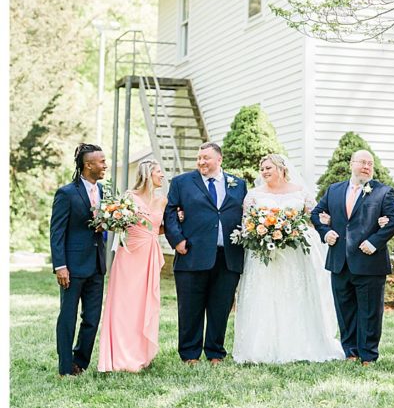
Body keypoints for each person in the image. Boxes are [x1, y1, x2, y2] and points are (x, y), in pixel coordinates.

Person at [231, 154, 344, 363]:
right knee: (267, 294)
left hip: (297, 252)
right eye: (262, 169)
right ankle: (261, 347)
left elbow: (316, 214)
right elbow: (247, 224)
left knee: (296, 293)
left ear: (281, 169)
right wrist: (260, 233)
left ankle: (302, 344)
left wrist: (327, 221)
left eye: (268, 168)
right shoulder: (254, 194)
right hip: (266, 254)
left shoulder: (300, 191)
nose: (264, 172)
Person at [311, 150, 394, 364]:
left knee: (370, 312)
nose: (366, 166)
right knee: (345, 310)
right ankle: (350, 352)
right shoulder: (334, 190)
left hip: (369, 261)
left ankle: (368, 355)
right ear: (351, 163)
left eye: (370, 163)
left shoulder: (383, 192)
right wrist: (325, 233)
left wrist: (374, 242)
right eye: (362, 162)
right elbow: (316, 214)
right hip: (339, 261)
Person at [163, 142, 248, 365]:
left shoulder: (238, 184)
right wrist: (177, 241)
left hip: (228, 255)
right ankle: (190, 354)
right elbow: (170, 213)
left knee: (221, 307)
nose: (201, 161)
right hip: (192, 253)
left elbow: (246, 215)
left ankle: (215, 352)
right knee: (190, 307)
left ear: (219, 160)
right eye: (199, 157)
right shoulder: (181, 183)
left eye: (206, 158)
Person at [97, 160, 167, 372]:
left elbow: (157, 228)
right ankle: (119, 356)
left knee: (144, 304)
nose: (162, 176)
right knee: (125, 305)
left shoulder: (162, 201)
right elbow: (118, 224)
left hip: (149, 256)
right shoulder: (129, 197)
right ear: (148, 175)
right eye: (158, 172)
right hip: (129, 256)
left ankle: (141, 353)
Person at [50, 143, 108, 376]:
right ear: (88, 165)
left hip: (97, 264)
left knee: (92, 319)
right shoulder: (66, 193)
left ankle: (80, 363)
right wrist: (60, 266)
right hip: (72, 267)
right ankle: (65, 367)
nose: (105, 165)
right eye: (101, 161)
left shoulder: (104, 191)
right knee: (68, 316)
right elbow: (57, 232)